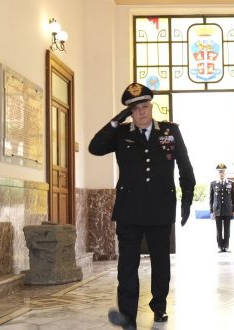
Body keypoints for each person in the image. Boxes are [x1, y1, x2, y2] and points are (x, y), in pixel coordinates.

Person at [88, 82, 196, 329]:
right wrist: (117, 120)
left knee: (160, 262)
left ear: (151, 106)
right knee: (127, 265)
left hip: (160, 208)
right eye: (135, 110)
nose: (142, 113)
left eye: (145, 107)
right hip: (129, 210)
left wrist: (187, 196)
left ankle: (159, 307)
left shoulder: (169, 131)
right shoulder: (121, 133)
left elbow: (185, 164)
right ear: (129, 112)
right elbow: (95, 148)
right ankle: (127, 317)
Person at [210, 163, 234, 252]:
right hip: (217, 210)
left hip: (227, 210)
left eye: (223, 172)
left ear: (225, 173)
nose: (221, 173)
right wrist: (211, 211)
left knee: (227, 230)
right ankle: (220, 247)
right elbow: (211, 198)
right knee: (218, 230)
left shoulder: (231, 183)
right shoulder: (213, 184)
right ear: (218, 173)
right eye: (220, 172)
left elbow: (233, 198)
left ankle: (226, 246)